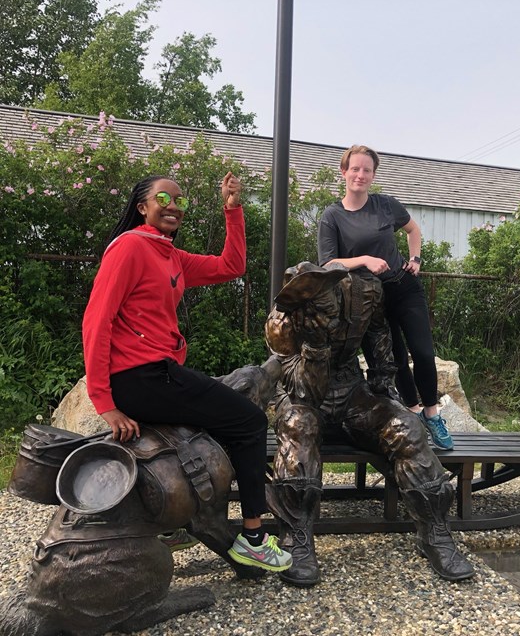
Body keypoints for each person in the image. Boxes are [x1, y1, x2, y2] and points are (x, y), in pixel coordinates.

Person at [82, 172, 291, 573]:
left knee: (217, 421)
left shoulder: (170, 256)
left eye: (181, 200)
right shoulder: (129, 248)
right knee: (249, 421)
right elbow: (96, 321)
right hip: (141, 377)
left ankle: (173, 520)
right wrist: (104, 403)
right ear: (143, 206)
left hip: (158, 373)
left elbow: (233, 266)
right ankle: (253, 539)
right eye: (164, 197)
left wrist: (232, 209)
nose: (174, 205)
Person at [265, 262, 474, 587]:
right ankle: (296, 538)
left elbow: (379, 334)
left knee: (406, 427)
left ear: (338, 289)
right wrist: (317, 344)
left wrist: (383, 385)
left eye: (329, 310)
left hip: (353, 393)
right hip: (303, 395)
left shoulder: (365, 293)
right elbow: (305, 389)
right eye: (316, 315)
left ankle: (435, 532)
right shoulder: (281, 323)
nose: (327, 320)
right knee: (297, 426)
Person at [317, 144, 454, 451]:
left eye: (367, 170)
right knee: (392, 361)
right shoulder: (332, 216)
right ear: (344, 172)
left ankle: (433, 414)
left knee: (422, 351)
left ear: (373, 174)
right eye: (355, 169)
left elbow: (413, 229)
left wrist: (415, 259)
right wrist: (364, 259)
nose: (360, 175)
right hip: (366, 299)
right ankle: (415, 412)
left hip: (401, 287)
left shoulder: (385, 205)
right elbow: (328, 263)